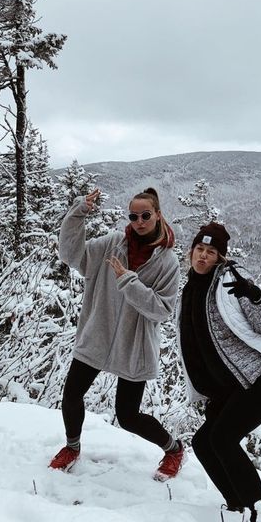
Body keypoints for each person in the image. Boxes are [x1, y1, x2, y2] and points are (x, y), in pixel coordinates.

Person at [50, 187, 185, 481]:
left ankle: (174, 449)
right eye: (133, 216)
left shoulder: (167, 262)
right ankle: (72, 448)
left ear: (158, 215)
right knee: (71, 394)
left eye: (145, 215)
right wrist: (77, 213)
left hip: (133, 345)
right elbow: (72, 255)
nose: (138, 221)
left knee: (128, 416)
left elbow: (162, 310)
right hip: (98, 334)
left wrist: (128, 282)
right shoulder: (113, 244)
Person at [181, 222, 261, 522]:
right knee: (205, 442)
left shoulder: (230, 279)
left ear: (220, 256)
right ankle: (238, 507)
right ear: (191, 251)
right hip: (240, 382)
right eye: (199, 249)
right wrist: (211, 395)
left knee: (223, 437)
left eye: (211, 251)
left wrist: (257, 296)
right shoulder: (191, 289)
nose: (203, 256)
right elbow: (198, 347)